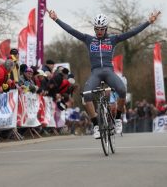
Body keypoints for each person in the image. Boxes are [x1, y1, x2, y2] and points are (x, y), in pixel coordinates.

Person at [48, 10, 160, 139]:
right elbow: (71, 30)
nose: (99, 31)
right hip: (95, 73)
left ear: (106, 28)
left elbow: (132, 33)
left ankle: (117, 119)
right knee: (86, 95)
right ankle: (96, 125)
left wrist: (148, 22)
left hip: (108, 71)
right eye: (97, 29)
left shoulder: (113, 39)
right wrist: (56, 19)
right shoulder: (89, 39)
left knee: (122, 90)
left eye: (101, 29)